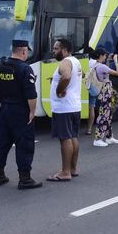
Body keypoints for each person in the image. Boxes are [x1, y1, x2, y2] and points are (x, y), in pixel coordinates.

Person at [0, 40, 42, 190]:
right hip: (21, 111)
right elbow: (31, 94)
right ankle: (25, 179)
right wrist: (32, 112)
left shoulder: (0, 66)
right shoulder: (25, 69)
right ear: (23, 51)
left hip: (4, 109)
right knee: (24, 144)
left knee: (1, 143)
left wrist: (2, 100)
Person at [47, 39, 82, 182]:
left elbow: (66, 76)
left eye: (56, 49)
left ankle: (65, 172)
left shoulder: (65, 62)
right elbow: (80, 75)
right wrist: (55, 80)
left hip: (64, 108)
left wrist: (58, 89)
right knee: (73, 137)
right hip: (74, 106)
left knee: (65, 139)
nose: (53, 51)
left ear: (65, 50)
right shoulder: (76, 61)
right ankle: (73, 169)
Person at [90, 48, 118, 147]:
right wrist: (116, 61)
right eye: (104, 55)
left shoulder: (96, 65)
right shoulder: (101, 67)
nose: (105, 57)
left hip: (104, 92)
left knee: (108, 115)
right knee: (103, 115)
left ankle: (109, 137)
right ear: (100, 55)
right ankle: (98, 138)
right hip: (105, 93)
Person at [85, 49, 98, 136]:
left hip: (84, 86)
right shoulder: (96, 62)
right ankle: (89, 129)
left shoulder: (85, 62)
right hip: (93, 86)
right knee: (91, 107)